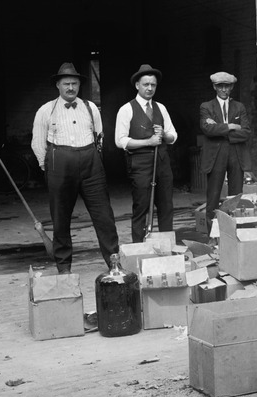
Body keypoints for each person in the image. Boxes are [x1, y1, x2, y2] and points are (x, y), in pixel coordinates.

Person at [30, 63, 120, 273]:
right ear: (58, 85)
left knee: (104, 216)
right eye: (66, 84)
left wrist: (93, 160)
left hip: (91, 166)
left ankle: (114, 263)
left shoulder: (90, 108)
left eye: (74, 83)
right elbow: (37, 143)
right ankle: (64, 268)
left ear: (79, 85)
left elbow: (99, 137)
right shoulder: (46, 110)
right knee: (60, 218)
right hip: (59, 167)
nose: (70, 88)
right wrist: (49, 167)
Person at [115, 64, 178, 243]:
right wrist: (147, 142)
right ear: (137, 85)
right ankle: (139, 250)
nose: (150, 88)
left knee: (166, 207)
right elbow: (120, 141)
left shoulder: (161, 108)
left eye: (153, 85)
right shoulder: (126, 109)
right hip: (140, 164)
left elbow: (173, 135)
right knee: (141, 208)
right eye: (145, 84)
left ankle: (167, 249)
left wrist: (164, 135)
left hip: (162, 163)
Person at [199, 71, 252, 231]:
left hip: (236, 154)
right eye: (220, 86)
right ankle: (212, 235)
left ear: (232, 87)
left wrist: (221, 131)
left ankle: (234, 233)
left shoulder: (239, 107)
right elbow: (207, 129)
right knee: (213, 196)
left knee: (235, 196)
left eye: (227, 86)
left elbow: (246, 132)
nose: (224, 90)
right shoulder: (206, 106)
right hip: (215, 156)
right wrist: (230, 126)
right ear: (215, 87)